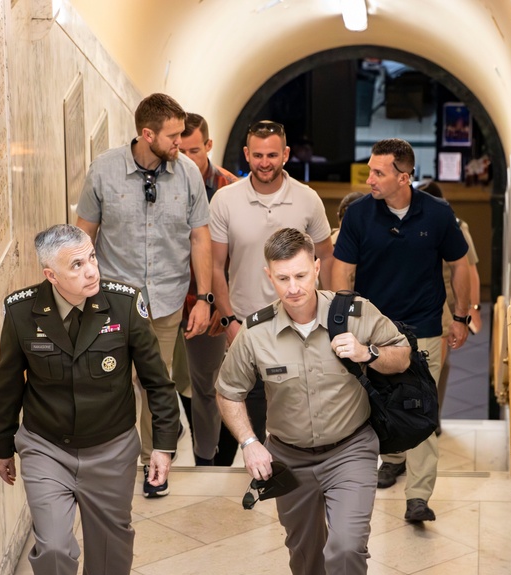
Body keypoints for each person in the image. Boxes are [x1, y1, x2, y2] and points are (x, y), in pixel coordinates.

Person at [216, 228, 410, 575]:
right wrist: (249, 442)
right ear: (269, 276)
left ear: (317, 267)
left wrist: (367, 353)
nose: (295, 288)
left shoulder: (356, 313)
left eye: (302, 275)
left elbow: (402, 353)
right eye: (283, 278)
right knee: (305, 554)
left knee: (344, 547)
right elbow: (228, 391)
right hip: (288, 458)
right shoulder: (256, 333)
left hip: (351, 449)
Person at [0, 225, 180, 575]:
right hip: (45, 447)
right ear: (51, 275)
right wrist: (2, 445)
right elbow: (7, 384)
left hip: (111, 448)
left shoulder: (125, 304)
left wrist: (163, 446)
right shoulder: (21, 312)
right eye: (77, 265)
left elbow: (158, 382)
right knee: (54, 547)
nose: (90, 271)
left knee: (111, 544)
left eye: (91, 257)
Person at [76, 92, 212, 497]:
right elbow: (84, 233)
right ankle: (115, 461)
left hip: (168, 299)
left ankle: (157, 460)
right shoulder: (104, 170)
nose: (179, 144)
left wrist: (203, 299)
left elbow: (200, 238)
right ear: (146, 133)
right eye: (172, 137)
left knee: (159, 384)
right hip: (113, 299)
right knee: (111, 382)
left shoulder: (187, 174)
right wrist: (78, 292)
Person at [332, 138, 471, 523]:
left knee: (421, 404)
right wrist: (343, 319)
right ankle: (391, 460)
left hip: (424, 324)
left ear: (404, 176)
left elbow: (461, 265)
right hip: (375, 327)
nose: (370, 178)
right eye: (371, 170)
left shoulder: (438, 214)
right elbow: (341, 268)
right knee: (380, 399)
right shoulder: (359, 215)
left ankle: (419, 497)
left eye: (379, 172)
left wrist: (460, 316)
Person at [210, 120, 335, 445]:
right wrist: (228, 322)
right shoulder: (225, 200)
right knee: (244, 408)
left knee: (297, 410)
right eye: (258, 155)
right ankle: (255, 469)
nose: (265, 162)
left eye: (272, 155)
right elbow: (214, 265)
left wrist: (331, 312)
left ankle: (295, 471)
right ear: (247, 154)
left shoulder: (308, 199)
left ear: (286, 154)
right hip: (245, 324)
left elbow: (327, 257)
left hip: (300, 323)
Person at [174, 112, 239, 465]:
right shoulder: (167, 183)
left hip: (214, 303)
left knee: (215, 383)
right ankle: (205, 454)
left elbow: (231, 258)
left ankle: (216, 458)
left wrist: (218, 305)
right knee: (184, 383)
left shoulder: (229, 189)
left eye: (194, 150)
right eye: (180, 150)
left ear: (209, 146)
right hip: (172, 303)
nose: (186, 159)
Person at [416, 181, 482, 417]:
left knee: (440, 360)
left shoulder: (456, 226)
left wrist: (472, 308)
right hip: (424, 299)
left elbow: (470, 269)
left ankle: (434, 415)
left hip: (449, 303)